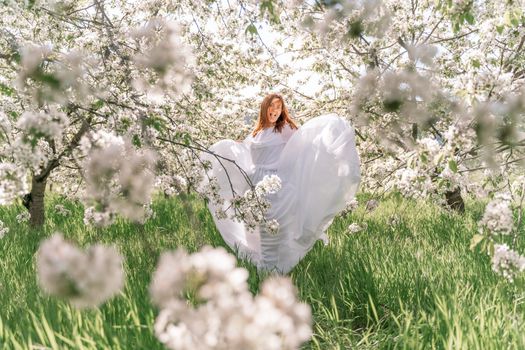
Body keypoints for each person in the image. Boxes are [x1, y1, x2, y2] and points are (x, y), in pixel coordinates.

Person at [199, 93, 361, 273]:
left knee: (271, 225)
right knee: (254, 229)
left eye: (279, 107)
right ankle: (263, 268)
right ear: (264, 108)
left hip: (273, 184)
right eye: (272, 106)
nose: (275, 110)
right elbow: (244, 150)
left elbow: (303, 145)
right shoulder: (257, 132)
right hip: (253, 183)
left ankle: (273, 269)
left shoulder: (286, 129)